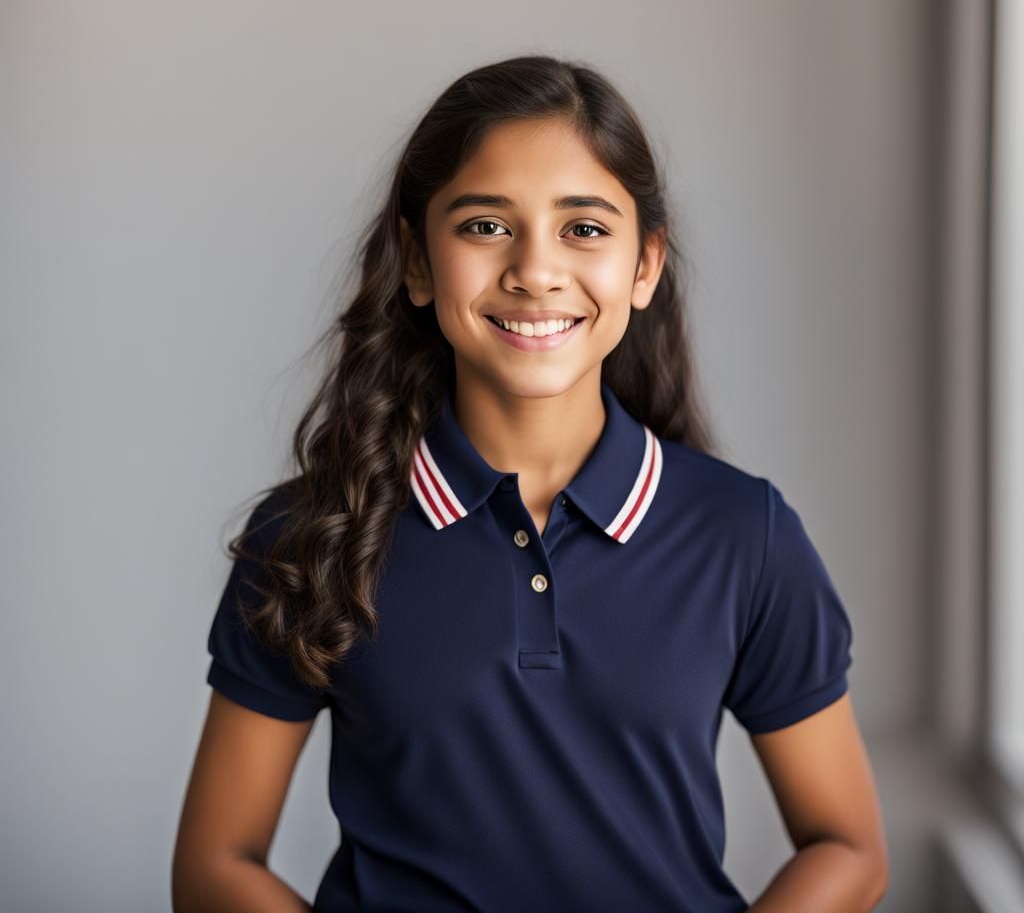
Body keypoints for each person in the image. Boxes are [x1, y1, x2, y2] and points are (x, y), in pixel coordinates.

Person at [172, 54, 889, 912]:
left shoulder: (747, 536)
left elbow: (848, 847)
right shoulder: (310, 535)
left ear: (645, 265)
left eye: (584, 229)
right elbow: (216, 863)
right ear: (417, 261)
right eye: (484, 226)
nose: (535, 270)